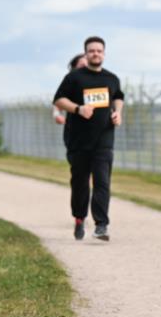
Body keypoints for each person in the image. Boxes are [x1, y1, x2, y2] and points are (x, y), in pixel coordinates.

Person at [52, 37, 124, 241]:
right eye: (91, 51)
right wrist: (78, 109)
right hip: (79, 141)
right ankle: (79, 218)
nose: (95, 54)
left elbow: (118, 96)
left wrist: (117, 112)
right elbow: (58, 99)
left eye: (99, 51)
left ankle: (102, 225)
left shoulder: (111, 78)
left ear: (104, 53)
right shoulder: (74, 78)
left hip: (104, 139)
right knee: (80, 183)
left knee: (102, 182)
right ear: (86, 53)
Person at [54, 54, 88, 152]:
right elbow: (58, 102)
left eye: (88, 64)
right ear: (74, 68)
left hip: (97, 135)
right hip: (75, 133)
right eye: (82, 66)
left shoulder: (100, 81)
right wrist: (57, 115)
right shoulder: (71, 83)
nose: (86, 68)